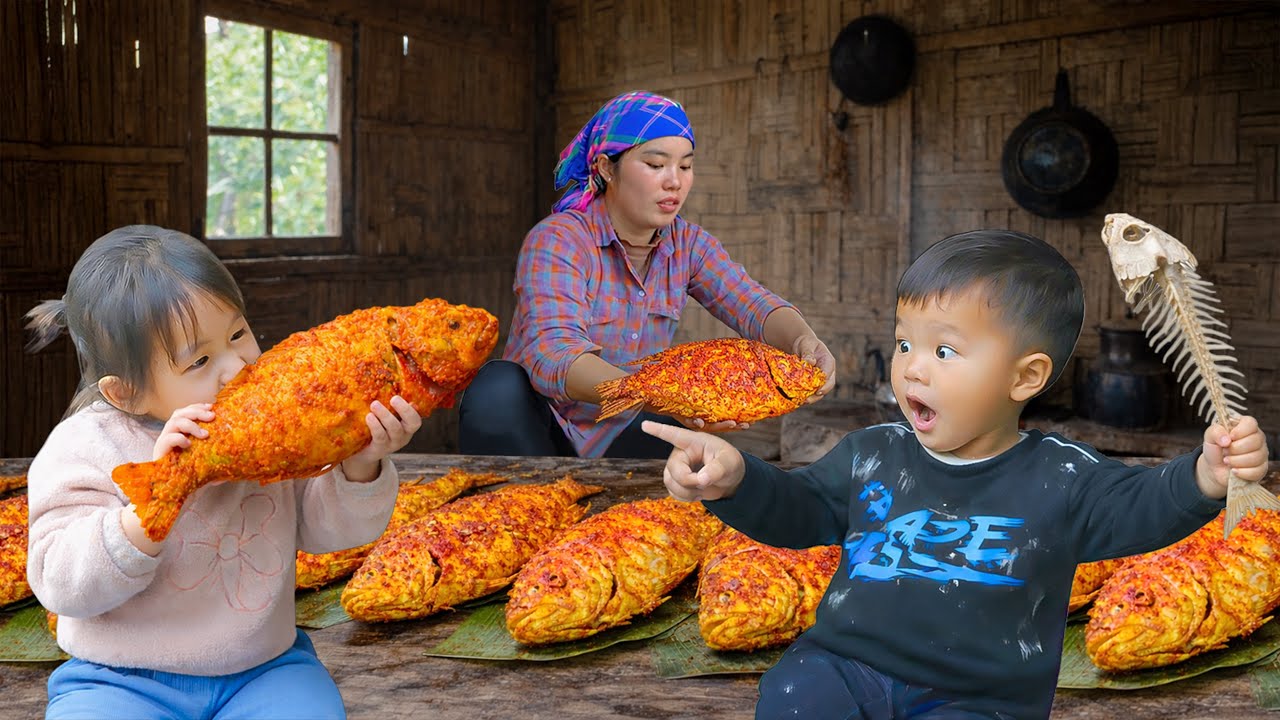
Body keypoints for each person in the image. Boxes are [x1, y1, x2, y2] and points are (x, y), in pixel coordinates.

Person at [641, 229, 1271, 719]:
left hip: (981, 695)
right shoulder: (871, 453)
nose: (913, 369)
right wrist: (737, 479)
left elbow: (1142, 505)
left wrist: (1206, 475)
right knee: (793, 696)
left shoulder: (1063, 476)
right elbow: (797, 506)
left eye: (944, 351)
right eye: (904, 343)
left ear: (1024, 377)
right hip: (846, 664)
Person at [24, 225, 421, 720]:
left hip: (263, 668)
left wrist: (361, 462)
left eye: (238, 334)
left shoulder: (275, 424)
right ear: (126, 392)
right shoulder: (86, 446)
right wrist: (152, 504)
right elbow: (59, 582)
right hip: (120, 678)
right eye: (201, 359)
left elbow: (325, 532)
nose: (235, 367)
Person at [457, 90, 836, 459]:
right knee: (497, 390)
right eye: (656, 165)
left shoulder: (688, 245)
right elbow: (555, 354)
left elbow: (751, 303)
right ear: (607, 168)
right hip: (541, 424)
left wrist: (805, 341)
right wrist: (658, 394)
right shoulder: (559, 240)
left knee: (691, 446)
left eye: (685, 166)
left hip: (623, 426)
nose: (674, 181)